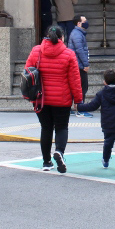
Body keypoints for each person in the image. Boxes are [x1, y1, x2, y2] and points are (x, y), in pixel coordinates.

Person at [25, 25, 83, 173]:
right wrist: (78, 100)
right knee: (61, 128)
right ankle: (59, 151)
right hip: (62, 99)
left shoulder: (36, 51)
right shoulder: (69, 54)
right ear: (62, 38)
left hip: (40, 99)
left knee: (46, 128)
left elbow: (28, 72)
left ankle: (46, 162)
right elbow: (74, 80)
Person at [76, 69, 115, 175]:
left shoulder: (101, 94)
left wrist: (79, 107)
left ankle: (106, 161)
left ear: (104, 82)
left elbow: (92, 106)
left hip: (108, 124)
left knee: (108, 143)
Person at [68, 15, 92, 117]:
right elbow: (80, 50)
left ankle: (72, 108)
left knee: (77, 87)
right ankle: (80, 109)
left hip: (77, 65)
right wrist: (85, 64)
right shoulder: (77, 34)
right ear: (79, 23)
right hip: (79, 65)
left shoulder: (77, 33)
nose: (86, 22)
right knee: (82, 88)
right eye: (84, 21)